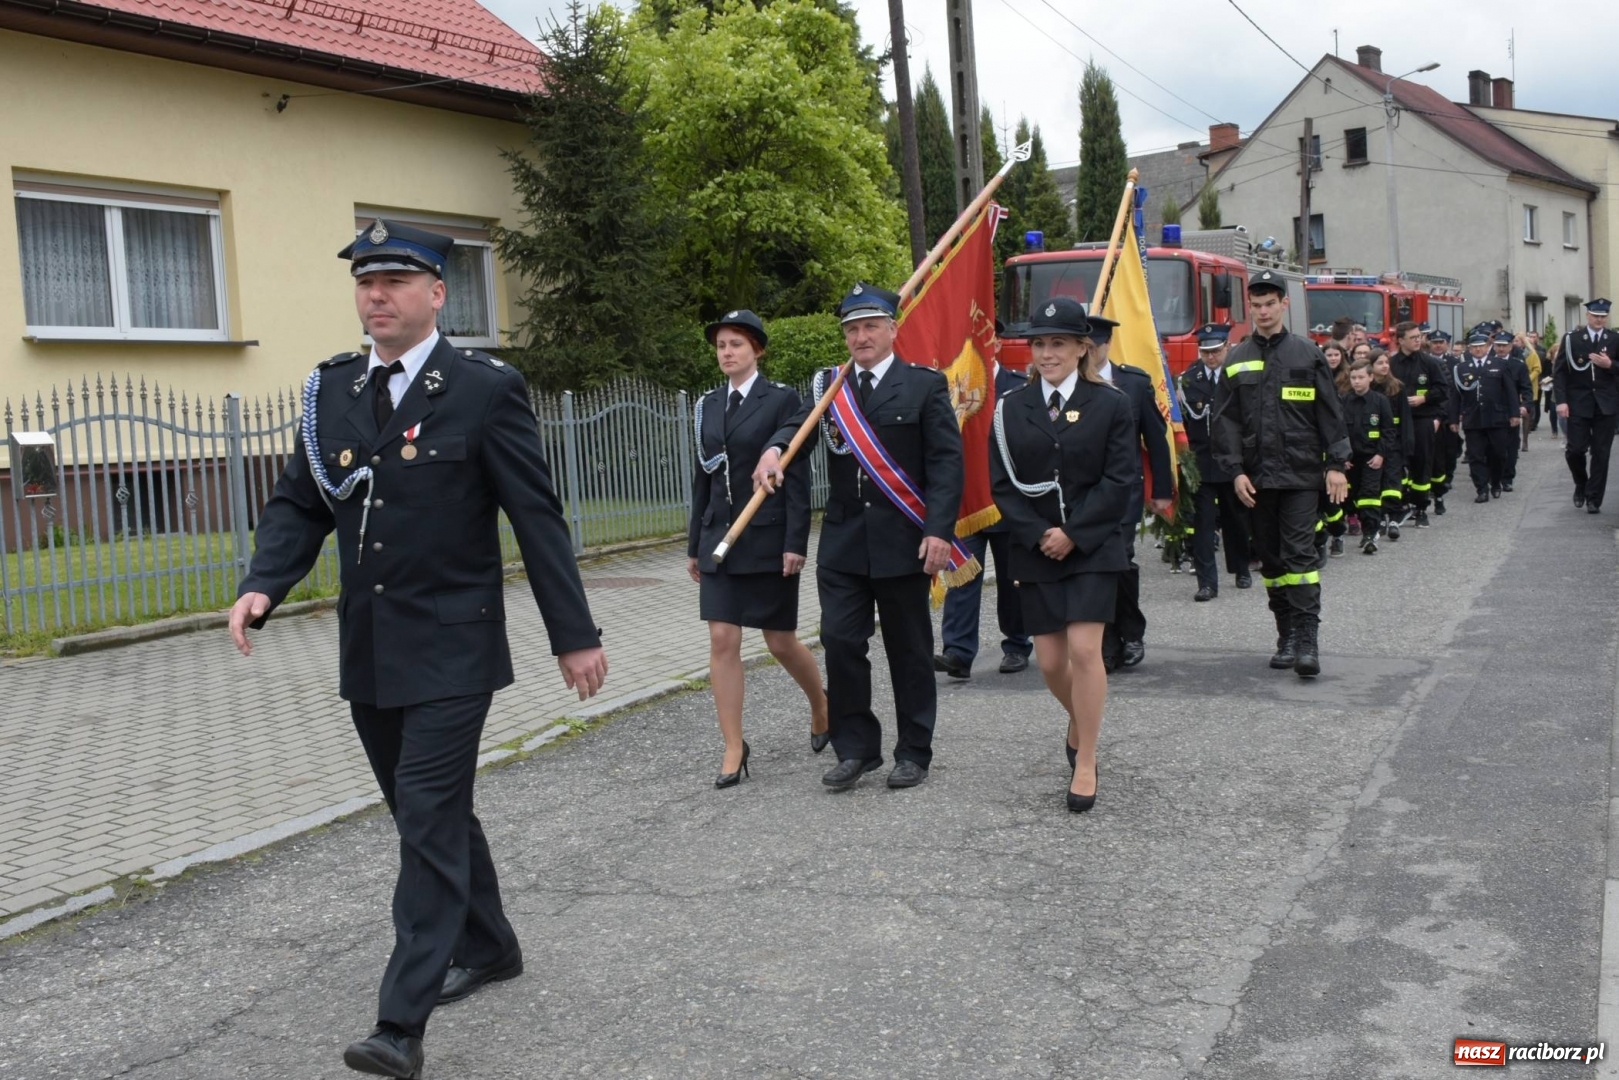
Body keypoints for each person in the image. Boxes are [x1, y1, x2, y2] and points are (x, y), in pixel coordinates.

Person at [228, 220, 609, 1080]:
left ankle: (400, 1024)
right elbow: (300, 502)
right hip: (370, 646)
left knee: (427, 815)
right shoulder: (331, 391)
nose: (377, 297)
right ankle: (492, 943)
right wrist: (265, 583)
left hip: (454, 645)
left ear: (437, 294)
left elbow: (535, 517)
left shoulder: (480, 390)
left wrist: (574, 635)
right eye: (366, 283)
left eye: (396, 282)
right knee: (421, 813)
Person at [754, 283, 964, 791]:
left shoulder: (924, 385)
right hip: (845, 544)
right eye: (852, 329)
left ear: (893, 329)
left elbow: (945, 464)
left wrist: (939, 531)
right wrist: (775, 449)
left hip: (903, 542)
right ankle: (856, 748)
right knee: (841, 642)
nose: (861, 336)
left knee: (908, 649)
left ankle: (913, 750)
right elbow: (799, 427)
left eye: (871, 326)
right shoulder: (832, 387)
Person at [988, 297, 1135, 812]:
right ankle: (1078, 715)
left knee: (1084, 651)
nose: (1046, 354)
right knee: (1050, 661)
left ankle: (1087, 757)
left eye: (1058, 344)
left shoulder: (1113, 403)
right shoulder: (1010, 407)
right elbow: (1001, 486)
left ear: (1081, 348)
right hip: (1035, 548)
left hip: (1092, 545)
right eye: (1039, 344)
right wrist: (1038, 533)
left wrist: (1073, 532)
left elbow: (1121, 480)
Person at [687, 310, 829, 788]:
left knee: (779, 641)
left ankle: (820, 704)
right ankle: (733, 746)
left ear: (758, 351)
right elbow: (703, 477)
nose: (727, 352)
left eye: (736, 344)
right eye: (721, 345)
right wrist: (694, 545)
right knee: (723, 639)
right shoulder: (707, 405)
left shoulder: (783, 399)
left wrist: (795, 542)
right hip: (719, 540)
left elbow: (796, 475)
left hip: (767, 539)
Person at [1212, 269, 1350, 679]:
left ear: (1283, 305)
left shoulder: (1307, 354)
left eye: (1270, 303)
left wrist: (1337, 464)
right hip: (1255, 480)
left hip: (1301, 476)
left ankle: (1307, 639)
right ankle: (1285, 635)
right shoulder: (1236, 360)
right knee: (1271, 561)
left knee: (1300, 557)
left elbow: (1330, 413)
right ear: (1249, 308)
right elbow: (1225, 422)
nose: (1264, 311)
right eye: (1256, 305)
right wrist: (1234, 471)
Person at [934, 356, 1033, 678]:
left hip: (1007, 501)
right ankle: (958, 652)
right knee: (962, 577)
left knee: (1012, 580)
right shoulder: (950, 386)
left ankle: (1017, 645)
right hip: (965, 503)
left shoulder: (1017, 387)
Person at [1087, 314, 1172, 671]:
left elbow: (1155, 437)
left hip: (1124, 491)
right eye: (1082, 347)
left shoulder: (1133, 383)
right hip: (1085, 492)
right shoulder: (1070, 384)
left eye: (1093, 347)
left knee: (1119, 562)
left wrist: (1163, 489)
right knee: (1097, 567)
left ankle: (1131, 632)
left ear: (1107, 345)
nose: (1087, 354)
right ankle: (1106, 641)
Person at [1178, 323, 1252, 599]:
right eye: (1205, 352)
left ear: (1227, 348)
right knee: (1203, 525)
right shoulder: (1188, 378)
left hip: (1233, 463)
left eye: (1216, 351)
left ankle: (1241, 567)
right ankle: (1207, 582)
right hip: (1201, 464)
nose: (1210, 357)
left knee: (1236, 520)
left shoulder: (1237, 375)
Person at [1553, 298, 1618, 513]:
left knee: (1601, 454)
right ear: (1587, 316)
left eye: (1603, 316)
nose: (1599, 320)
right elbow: (1560, 372)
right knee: (1575, 450)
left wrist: (1610, 365)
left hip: (1606, 405)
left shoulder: (1614, 339)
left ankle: (1594, 498)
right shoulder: (1572, 339)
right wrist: (1561, 401)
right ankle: (1581, 483)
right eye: (1595, 315)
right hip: (1578, 402)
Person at [1386, 321, 1448, 529]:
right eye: (1413, 338)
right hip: (1398, 422)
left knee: (1422, 464)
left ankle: (1421, 507)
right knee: (1399, 464)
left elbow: (1443, 391)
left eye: (1419, 336)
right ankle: (1402, 505)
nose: (1418, 340)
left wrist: (1425, 399)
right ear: (1401, 340)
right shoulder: (1392, 365)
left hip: (1422, 419)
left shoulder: (1430, 363)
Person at [1454, 330, 1517, 502]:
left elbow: (1510, 391)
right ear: (1469, 349)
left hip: (1496, 416)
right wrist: (1453, 419)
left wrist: (1514, 413)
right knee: (1475, 455)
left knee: (1498, 453)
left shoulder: (1499, 364)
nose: (1478, 350)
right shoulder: (1461, 368)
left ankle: (1495, 481)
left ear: (1488, 347)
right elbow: (1455, 395)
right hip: (1473, 417)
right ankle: (1481, 488)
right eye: (1474, 347)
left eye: (1481, 346)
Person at [1339, 359, 1391, 553]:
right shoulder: (1343, 401)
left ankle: (1370, 534)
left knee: (1369, 495)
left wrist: (1380, 454)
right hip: (1350, 460)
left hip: (1371, 458)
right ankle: (1352, 527)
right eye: (1353, 378)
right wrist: (1342, 457)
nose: (1357, 381)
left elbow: (1388, 431)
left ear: (1370, 377)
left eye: (1361, 377)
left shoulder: (1380, 401)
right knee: (1351, 496)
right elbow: (1338, 431)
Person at [1369, 351, 1412, 541]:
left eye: (1386, 363)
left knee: (1393, 480)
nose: (1385, 366)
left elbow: (1405, 417)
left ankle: (1394, 517)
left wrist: (1407, 442)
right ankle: (1377, 517)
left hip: (1393, 440)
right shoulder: (1366, 387)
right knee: (1374, 481)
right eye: (1380, 363)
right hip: (1371, 442)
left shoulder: (1397, 387)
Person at [1491, 331, 1533, 491]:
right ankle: (1494, 475)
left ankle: (1507, 478)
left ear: (1510, 346)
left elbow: (1526, 389)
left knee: (1511, 446)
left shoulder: (1518, 365)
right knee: (1494, 447)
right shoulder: (1488, 362)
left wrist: (1525, 406)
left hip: (1511, 410)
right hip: (1492, 411)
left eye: (1504, 346)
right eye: (1498, 345)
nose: (1500, 349)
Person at [1427, 331, 1461, 515]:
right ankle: (1436, 483)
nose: (1438, 345)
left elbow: (1455, 391)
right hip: (1433, 414)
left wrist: (1456, 413)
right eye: (1435, 342)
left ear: (1447, 344)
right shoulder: (1424, 361)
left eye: (1441, 342)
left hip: (1449, 413)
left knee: (1450, 449)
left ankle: (1447, 476)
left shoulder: (1455, 363)